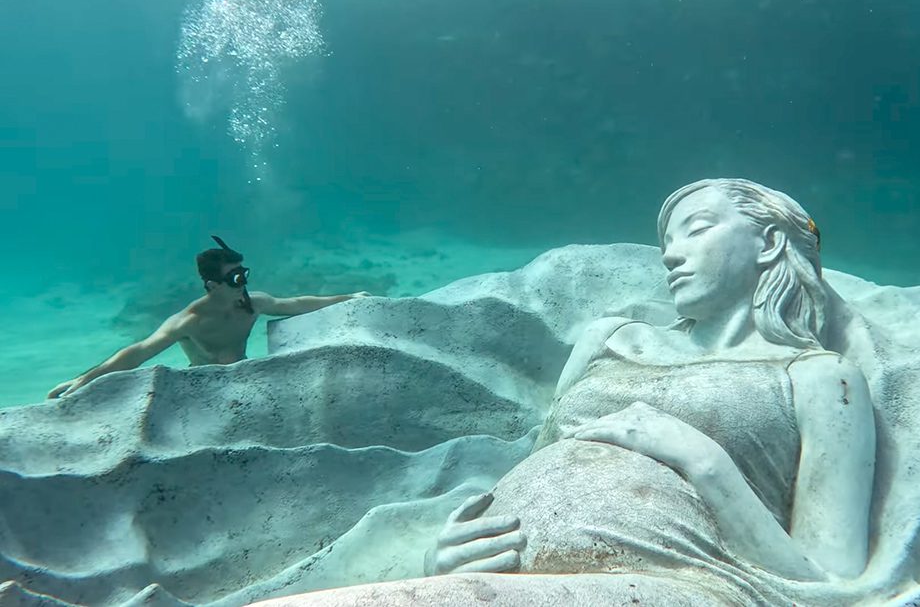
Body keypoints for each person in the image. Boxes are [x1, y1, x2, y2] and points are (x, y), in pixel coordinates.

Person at [414, 179, 876, 601]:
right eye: (667, 243)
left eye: (697, 230)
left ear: (769, 242)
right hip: (497, 577)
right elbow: (538, 463)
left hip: (681, 581)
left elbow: (830, 583)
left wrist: (703, 460)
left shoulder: (821, 377)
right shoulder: (609, 339)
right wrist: (447, 555)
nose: (670, 256)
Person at [47, 236, 370, 399]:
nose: (243, 283)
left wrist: (350, 297)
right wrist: (85, 379)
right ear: (213, 285)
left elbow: (297, 304)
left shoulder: (252, 304)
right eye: (235, 279)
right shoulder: (188, 320)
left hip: (245, 383)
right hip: (202, 391)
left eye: (244, 274)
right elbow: (139, 351)